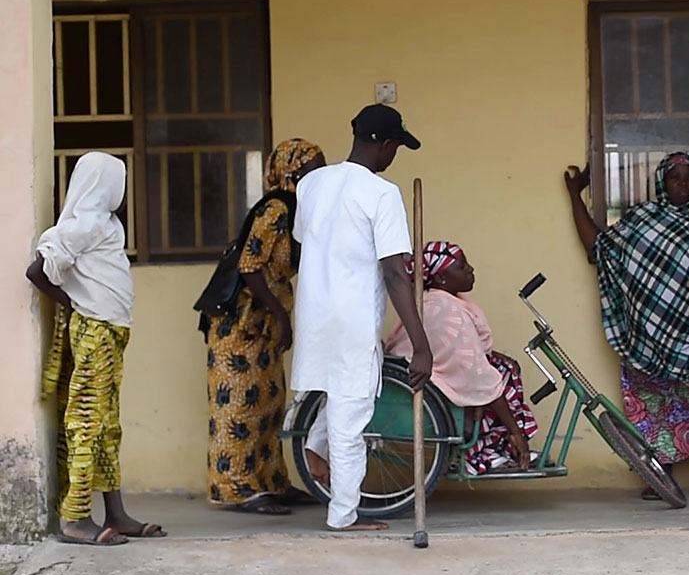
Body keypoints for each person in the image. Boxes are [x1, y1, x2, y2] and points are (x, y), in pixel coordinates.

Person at [564, 151, 689, 504]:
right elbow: (598, 250)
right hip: (647, 338)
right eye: (676, 178)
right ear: (662, 182)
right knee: (654, 406)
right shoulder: (638, 222)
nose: (683, 185)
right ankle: (659, 475)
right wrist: (574, 196)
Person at [292, 104, 433, 532]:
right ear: (386, 146)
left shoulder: (311, 184)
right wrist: (421, 346)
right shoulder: (381, 193)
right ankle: (343, 515)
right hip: (352, 319)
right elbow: (394, 272)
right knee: (352, 415)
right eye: (396, 148)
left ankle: (316, 446)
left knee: (339, 397)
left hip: (315, 315)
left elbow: (302, 244)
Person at [27, 152, 165, 545]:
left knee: (107, 425)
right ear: (103, 183)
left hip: (111, 331)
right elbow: (38, 270)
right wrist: (71, 303)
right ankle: (75, 518)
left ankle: (116, 514)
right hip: (95, 330)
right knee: (86, 421)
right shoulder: (83, 225)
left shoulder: (104, 224)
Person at [204, 139, 326, 515]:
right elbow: (249, 267)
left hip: (265, 325)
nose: (319, 175)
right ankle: (238, 489)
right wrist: (281, 315)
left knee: (268, 407)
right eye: (312, 169)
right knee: (237, 407)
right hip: (239, 327)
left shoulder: (297, 210)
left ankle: (272, 483)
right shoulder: (275, 209)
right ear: (290, 174)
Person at [385, 242, 537, 474]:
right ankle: (479, 453)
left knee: (505, 367)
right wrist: (516, 430)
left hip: (434, 373)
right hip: (431, 382)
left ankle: (497, 447)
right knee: (497, 379)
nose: (471, 270)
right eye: (462, 267)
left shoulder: (437, 301)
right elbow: (475, 372)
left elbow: (464, 350)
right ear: (442, 279)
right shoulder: (448, 312)